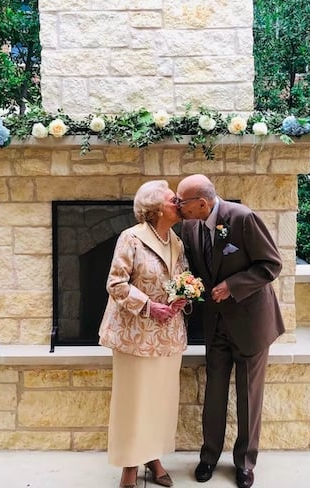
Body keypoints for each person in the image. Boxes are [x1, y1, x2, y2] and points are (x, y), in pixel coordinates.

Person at [175, 174, 284, 488]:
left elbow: (271, 265)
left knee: (248, 396)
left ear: (202, 203)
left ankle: (245, 464)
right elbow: (196, 269)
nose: (178, 206)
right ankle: (208, 457)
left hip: (251, 323)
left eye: (182, 202)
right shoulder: (190, 226)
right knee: (214, 393)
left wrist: (233, 286)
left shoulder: (244, 219)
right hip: (215, 324)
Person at [99, 180, 189, 488]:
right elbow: (116, 284)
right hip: (134, 335)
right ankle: (129, 465)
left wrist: (184, 294)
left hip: (168, 336)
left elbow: (184, 277)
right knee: (133, 401)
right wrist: (149, 306)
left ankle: (153, 457)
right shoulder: (131, 238)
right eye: (172, 198)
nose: (179, 201)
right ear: (156, 207)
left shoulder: (176, 241)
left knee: (159, 400)